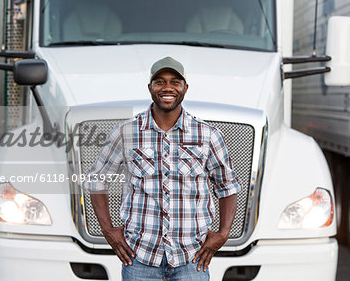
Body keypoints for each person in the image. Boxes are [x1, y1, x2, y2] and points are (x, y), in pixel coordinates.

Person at [87, 56, 241, 280]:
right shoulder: (126, 132)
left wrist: (223, 234)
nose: (167, 87)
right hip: (139, 258)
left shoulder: (208, 135)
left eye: (175, 82)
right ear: (150, 87)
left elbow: (227, 186)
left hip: (192, 258)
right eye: (160, 81)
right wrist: (108, 230)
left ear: (185, 88)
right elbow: (96, 180)